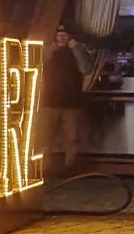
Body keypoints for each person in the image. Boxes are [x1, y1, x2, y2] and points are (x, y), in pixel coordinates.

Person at [35, 26, 93, 175]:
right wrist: (50, 51)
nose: (61, 39)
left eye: (64, 36)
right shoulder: (49, 51)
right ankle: (44, 167)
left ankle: (70, 166)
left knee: (72, 137)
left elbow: (86, 69)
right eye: (59, 35)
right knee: (46, 137)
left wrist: (76, 49)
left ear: (70, 37)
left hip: (71, 102)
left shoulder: (78, 51)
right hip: (50, 101)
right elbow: (38, 65)